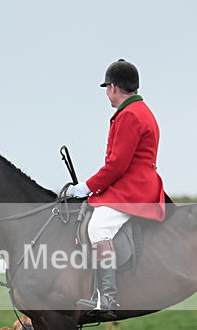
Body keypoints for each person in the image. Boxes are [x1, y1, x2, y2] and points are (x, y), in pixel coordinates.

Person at [67, 59, 168, 315]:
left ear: (113, 87)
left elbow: (116, 165)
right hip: (136, 183)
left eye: (107, 89)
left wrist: (86, 187)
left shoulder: (129, 115)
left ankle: (107, 298)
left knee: (98, 227)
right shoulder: (141, 110)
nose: (107, 95)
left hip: (133, 188)